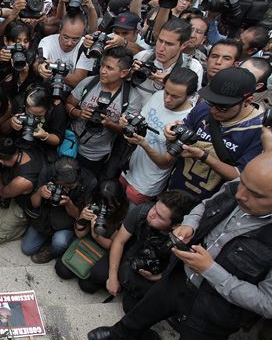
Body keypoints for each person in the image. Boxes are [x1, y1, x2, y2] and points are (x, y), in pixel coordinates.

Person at [87, 151, 272, 340]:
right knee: (144, 311)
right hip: (178, 277)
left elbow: (267, 303)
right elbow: (203, 206)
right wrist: (190, 224)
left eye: (256, 194)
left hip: (216, 308)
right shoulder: (236, 188)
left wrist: (210, 270)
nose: (241, 195)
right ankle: (121, 332)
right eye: (242, 183)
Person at [164, 67, 263, 200]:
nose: (214, 110)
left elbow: (240, 176)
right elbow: (176, 142)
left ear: (247, 101)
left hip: (209, 204)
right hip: (174, 191)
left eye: (223, 107)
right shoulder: (204, 108)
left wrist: (203, 156)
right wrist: (172, 134)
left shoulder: (259, 132)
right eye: (211, 102)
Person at [93, 191, 197, 308]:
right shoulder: (141, 211)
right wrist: (112, 277)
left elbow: (176, 273)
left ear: (175, 225)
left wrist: (155, 277)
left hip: (151, 270)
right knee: (94, 278)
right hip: (130, 252)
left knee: (130, 305)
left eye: (160, 216)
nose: (152, 214)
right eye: (154, 208)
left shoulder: (182, 239)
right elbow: (119, 241)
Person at [120, 67, 197, 205]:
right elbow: (139, 122)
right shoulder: (157, 96)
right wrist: (126, 121)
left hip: (146, 184)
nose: (167, 99)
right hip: (128, 169)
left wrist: (143, 144)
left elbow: (165, 164)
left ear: (189, 95)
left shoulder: (188, 120)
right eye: (166, 92)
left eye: (175, 96)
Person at [65, 47, 142, 177]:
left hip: (95, 155)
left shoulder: (131, 98)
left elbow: (128, 131)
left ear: (123, 73)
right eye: (102, 65)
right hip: (70, 142)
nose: (103, 71)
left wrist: (109, 123)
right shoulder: (89, 82)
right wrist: (78, 113)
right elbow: (68, 104)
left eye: (109, 68)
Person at [22, 157, 96, 264]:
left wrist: (69, 204)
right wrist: (40, 192)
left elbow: (78, 216)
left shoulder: (89, 182)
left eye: (70, 186)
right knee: (27, 249)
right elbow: (34, 204)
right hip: (45, 217)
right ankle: (46, 237)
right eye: (62, 186)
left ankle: (52, 251)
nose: (65, 189)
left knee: (60, 243)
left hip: (67, 223)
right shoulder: (48, 171)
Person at [0, 136, 46, 246]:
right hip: (15, 186)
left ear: (0, 161)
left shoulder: (22, 181)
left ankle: (22, 227)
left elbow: (3, 192)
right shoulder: (25, 148)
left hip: (24, 205)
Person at [132, 17, 204, 101]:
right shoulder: (142, 57)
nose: (161, 48)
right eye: (160, 41)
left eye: (169, 44)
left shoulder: (193, 67)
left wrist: (171, 84)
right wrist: (129, 74)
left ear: (184, 45)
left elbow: (193, 101)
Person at [35, 15, 94, 90]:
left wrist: (53, 68)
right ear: (60, 29)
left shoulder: (86, 47)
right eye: (66, 37)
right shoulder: (47, 42)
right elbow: (38, 61)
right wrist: (40, 67)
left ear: (83, 34)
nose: (69, 43)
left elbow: (77, 81)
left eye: (75, 39)